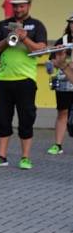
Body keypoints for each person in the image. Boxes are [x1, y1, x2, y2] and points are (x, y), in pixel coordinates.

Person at [0, 0, 47, 169]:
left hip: (25, 79)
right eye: (15, 6)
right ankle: (1, 156)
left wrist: (25, 38)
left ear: (29, 5)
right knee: (3, 118)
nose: (18, 9)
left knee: (26, 118)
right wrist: (7, 40)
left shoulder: (37, 26)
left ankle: (25, 157)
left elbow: (40, 51)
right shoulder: (3, 25)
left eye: (21, 6)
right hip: (3, 79)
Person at [46, 13, 73, 155]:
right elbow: (51, 63)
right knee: (62, 112)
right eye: (71, 23)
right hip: (64, 83)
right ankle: (58, 144)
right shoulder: (61, 41)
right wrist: (50, 66)